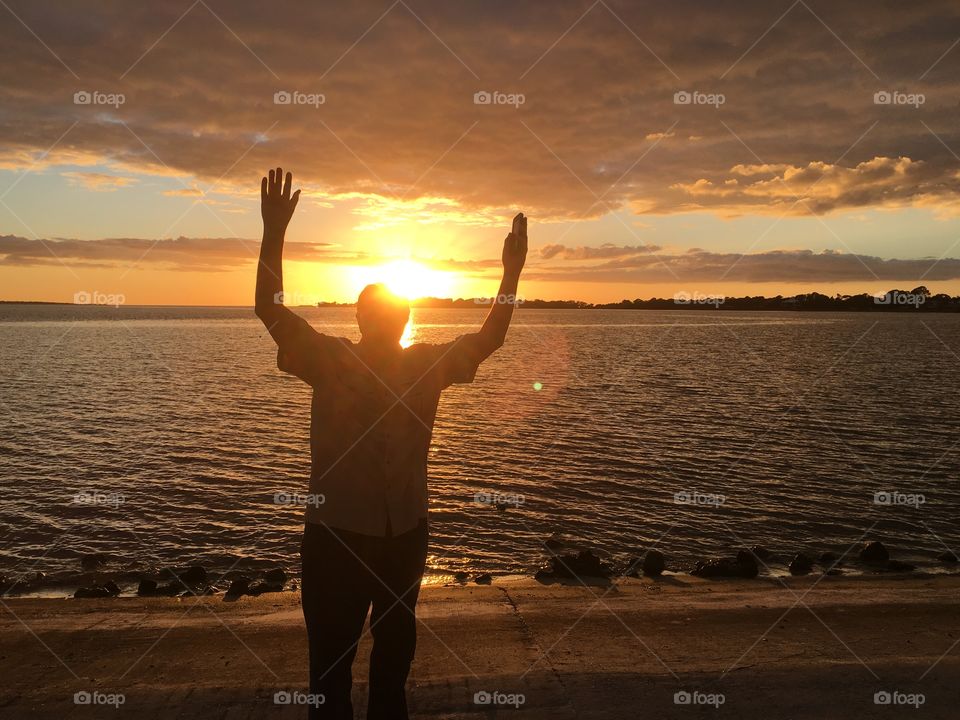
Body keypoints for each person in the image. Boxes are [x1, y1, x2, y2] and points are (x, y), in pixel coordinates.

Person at [254, 167, 527, 719]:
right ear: (360, 318)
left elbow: (491, 337)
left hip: (402, 536)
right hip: (336, 538)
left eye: (393, 312)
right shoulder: (332, 360)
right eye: (376, 312)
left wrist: (511, 273)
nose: (385, 320)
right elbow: (270, 309)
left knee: (393, 666)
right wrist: (274, 231)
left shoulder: (425, 365)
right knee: (329, 673)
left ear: (404, 319)